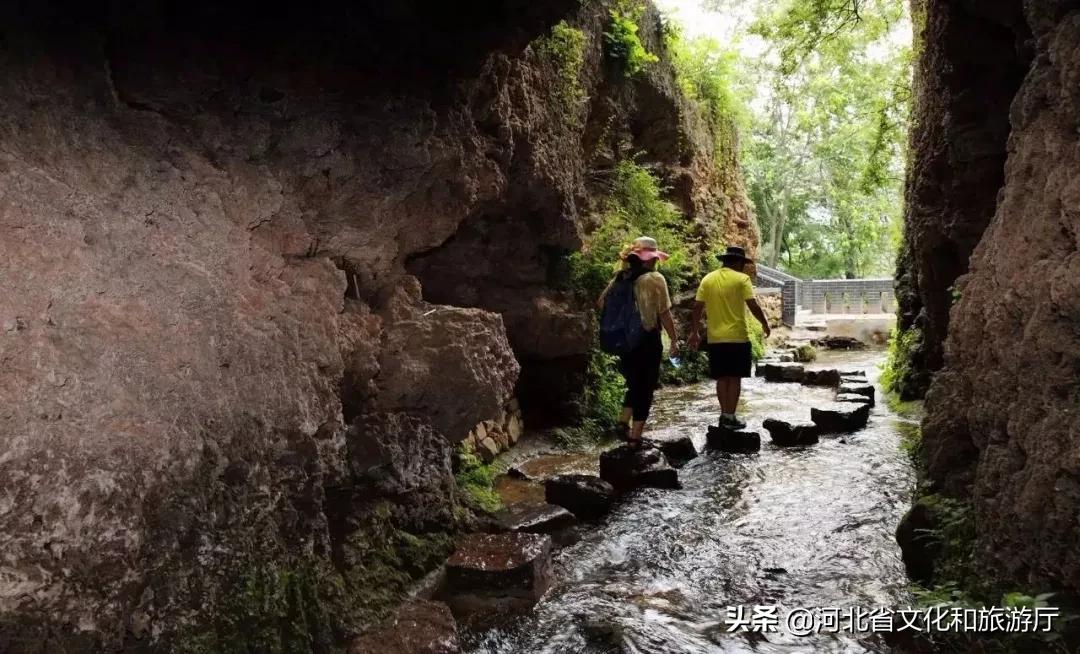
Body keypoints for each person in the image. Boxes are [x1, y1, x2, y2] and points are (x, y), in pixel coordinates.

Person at [598, 237, 679, 446]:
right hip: (647, 339)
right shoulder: (654, 279)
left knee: (634, 383)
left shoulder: (620, 278)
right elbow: (665, 313)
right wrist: (674, 339)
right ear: (651, 258)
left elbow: (600, 303)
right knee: (646, 387)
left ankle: (623, 422)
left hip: (624, 340)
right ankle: (635, 438)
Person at [687, 245, 771, 429]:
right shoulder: (742, 279)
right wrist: (764, 323)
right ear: (739, 262)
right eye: (743, 263)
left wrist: (694, 332)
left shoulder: (708, 279)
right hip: (737, 337)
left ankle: (724, 415)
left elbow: (697, 307)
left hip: (715, 338)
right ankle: (730, 417)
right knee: (734, 378)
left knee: (722, 378)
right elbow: (753, 304)